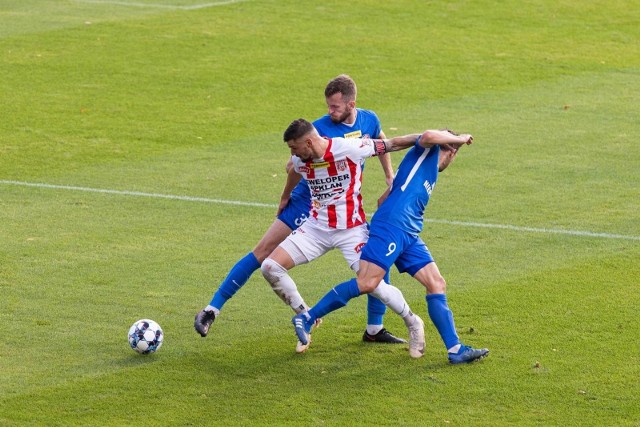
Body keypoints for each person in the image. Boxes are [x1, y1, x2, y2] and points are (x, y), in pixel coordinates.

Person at [195, 75, 405, 344]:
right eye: (328, 106)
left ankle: (374, 329)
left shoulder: (368, 119)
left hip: (343, 204)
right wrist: (285, 196)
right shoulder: (317, 130)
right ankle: (212, 309)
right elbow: (292, 165)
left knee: (374, 259)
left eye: (336, 107)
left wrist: (389, 176)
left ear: (352, 104)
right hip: (308, 202)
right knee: (263, 253)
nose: (330, 112)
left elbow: (380, 139)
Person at [292, 129, 490, 364]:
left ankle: (455, 349)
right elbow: (426, 135)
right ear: (451, 151)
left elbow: (382, 199)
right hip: (394, 225)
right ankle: (308, 317)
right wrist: (460, 138)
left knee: (436, 283)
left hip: (409, 231)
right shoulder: (427, 150)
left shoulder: (423, 170)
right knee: (367, 282)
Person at [266, 118, 439, 354]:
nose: (292, 153)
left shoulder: (348, 148)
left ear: (308, 142)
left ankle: (412, 321)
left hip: (351, 230)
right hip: (316, 229)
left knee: (372, 283)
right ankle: (307, 317)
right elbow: (293, 172)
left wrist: (426, 138)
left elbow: (391, 144)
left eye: (294, 147)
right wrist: (285, 196)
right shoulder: (300, 158)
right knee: (270, 267)